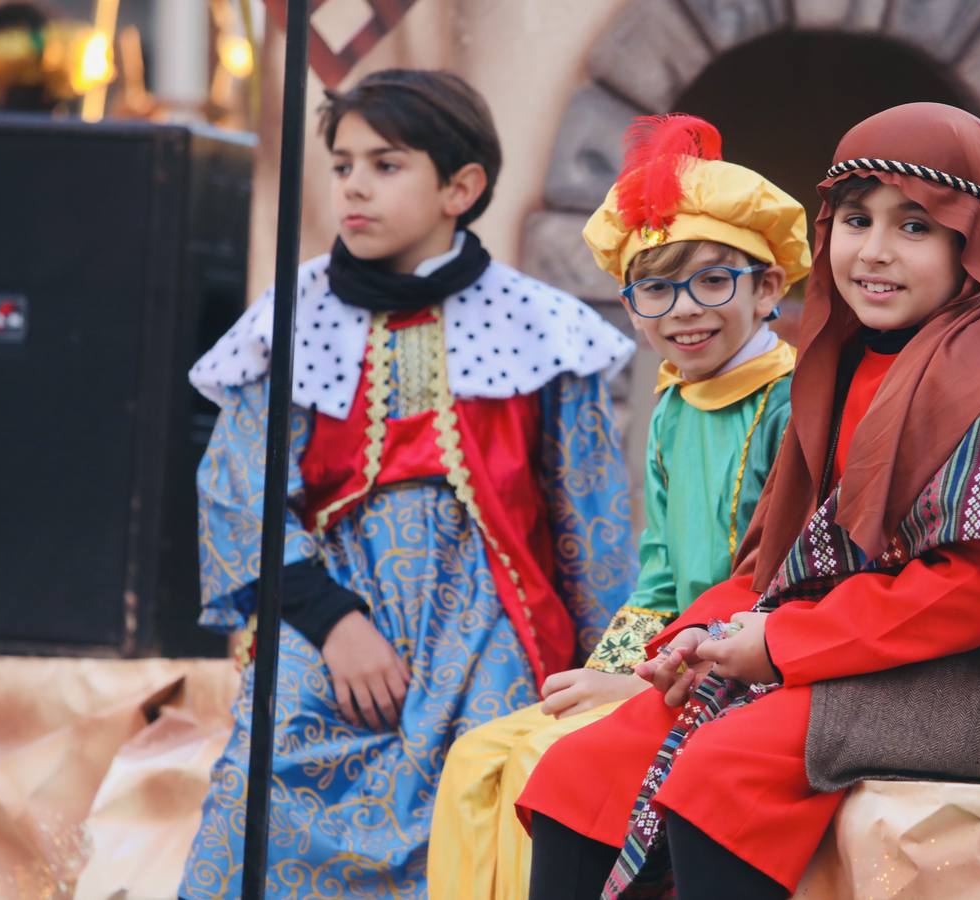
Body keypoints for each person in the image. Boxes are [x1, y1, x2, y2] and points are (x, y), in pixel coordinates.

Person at [516, 102, 980, 900]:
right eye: (856, 220)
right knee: (586, 766)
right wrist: (696, 638)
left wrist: (781, 645)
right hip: (848, 657)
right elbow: (781, 562)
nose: (875, 252)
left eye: (915, 226)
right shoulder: (837, 369)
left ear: (973, 241)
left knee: (725, 767)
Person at [178, 68, 637, 899]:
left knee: (483, 806)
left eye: (385, 165)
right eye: (343, 164)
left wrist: (622, 673)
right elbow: (235, 489)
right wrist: (331, 621)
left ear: (461, 186)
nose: (354, 186)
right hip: (330, 625)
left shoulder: (543, 328)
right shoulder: (295, 316)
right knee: (259, 796)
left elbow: (594, 524)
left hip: (488, 637)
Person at [427, 114, 810, 900]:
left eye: (713, 280)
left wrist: (646, 687)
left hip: (748, 666)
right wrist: (612, 671)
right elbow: (662, 574)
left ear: (769, 285)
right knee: (478, 758)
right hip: (671, 656)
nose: (683, 310)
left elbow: (780, 582)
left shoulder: (795, 405)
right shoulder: (674, 405)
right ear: (630, 306)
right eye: (655, 288)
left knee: (545, 761)